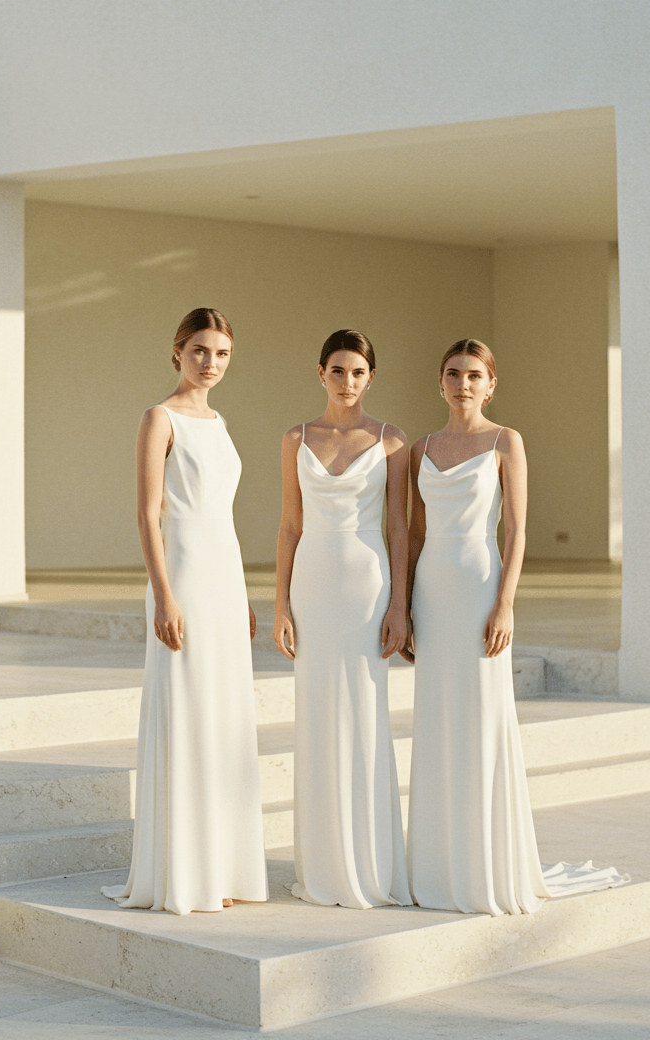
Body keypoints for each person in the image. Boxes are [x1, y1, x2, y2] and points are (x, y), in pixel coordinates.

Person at [405, 338, 628, 914]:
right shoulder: (421, 448)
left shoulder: (506, 441)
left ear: (491, 384)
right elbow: (414, 535)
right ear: (440, 381)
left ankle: (485, 863)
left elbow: (518, 532)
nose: (463, 384)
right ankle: (437, 864)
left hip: (481, 587)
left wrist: (504, 604)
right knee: (436, 720)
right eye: (453, 373)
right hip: (432, 592)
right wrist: (402, 605)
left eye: (474, 375)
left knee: (481, 718)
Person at [102, 308, 267, 915]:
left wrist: (245, 592)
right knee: (187, 708)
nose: (211, 363)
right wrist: (164, 594)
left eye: (221, 353)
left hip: (223, 576)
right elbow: (148, 514)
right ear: (178, 352)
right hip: (184, 574)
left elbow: (226, 516)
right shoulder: (159, 418)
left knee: (223, 716)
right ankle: (185, 870)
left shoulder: (219, 421)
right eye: (200, 350)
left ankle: (222, 866)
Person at [273, 329, 411, 909]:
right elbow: (289, 525)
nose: (347, 381)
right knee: (317, 713)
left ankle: (370, 860)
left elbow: (401, 527)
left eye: (358, 372)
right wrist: (279, 603)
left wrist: (400, 606)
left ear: (370, 377)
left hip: (365, 582)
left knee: (363, 710)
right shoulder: (295, 438)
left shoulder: (392, 441)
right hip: (312, 583)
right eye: (337, 370)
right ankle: (323, 865)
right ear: (321, 373)